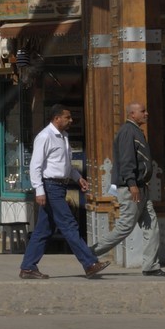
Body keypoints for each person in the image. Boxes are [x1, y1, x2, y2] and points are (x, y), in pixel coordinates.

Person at [19, 104, 108, 280]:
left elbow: (64, 164)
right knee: (69, 224)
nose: (71, 121)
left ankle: (28, 267)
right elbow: (35, 165)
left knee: (43, 230)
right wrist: (39, 190)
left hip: (60, 185)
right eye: (67, 117)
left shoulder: (64, 137)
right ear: (57, 118)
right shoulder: (45, 136)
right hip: (50, 186)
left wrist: (77, 177)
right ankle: (89, 263)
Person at [89, 102, 165, 276]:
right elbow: (126, 160)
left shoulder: (136, 131)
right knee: (125, 226)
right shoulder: (127, 132)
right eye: (143, 111)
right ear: (132, 114)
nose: (147, 114)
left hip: (141, 187)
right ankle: (88, 254)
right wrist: (131, 184)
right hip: (131, 188)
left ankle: (151, 266)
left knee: (151, 226)